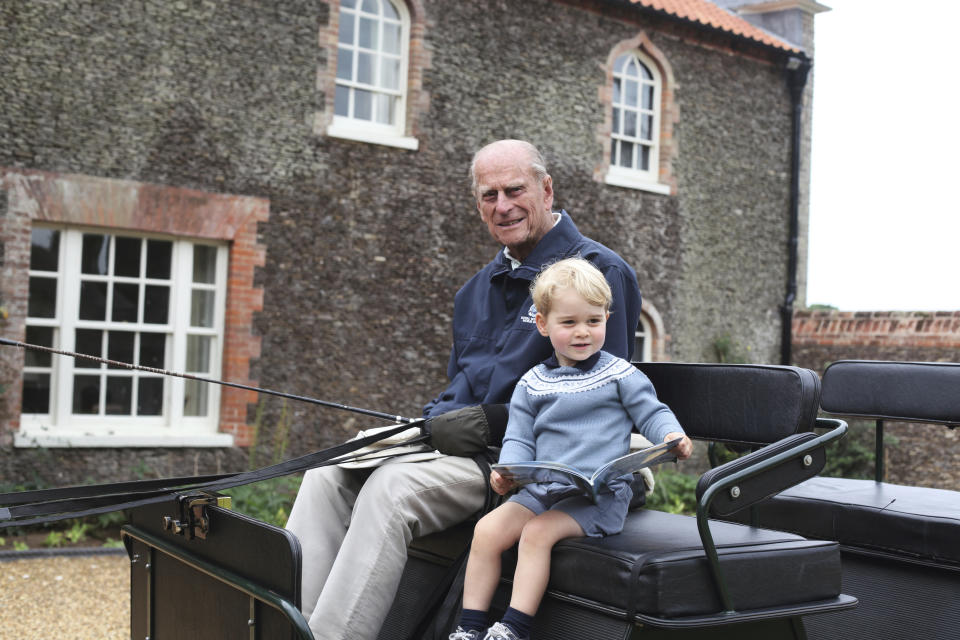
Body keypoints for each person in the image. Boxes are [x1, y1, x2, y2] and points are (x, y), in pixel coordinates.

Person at [285, 139, 643, 640]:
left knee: (392, 490)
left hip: (532, 467)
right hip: (462, 452)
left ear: (545, 189)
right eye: (488, 195)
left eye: (514, 190)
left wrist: (487, 423)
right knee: (330, 472)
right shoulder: (474, 291)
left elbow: (601, 398)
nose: (503, 206)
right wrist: (416, 428)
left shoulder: (600, 274)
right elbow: (460, 390)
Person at [449, 258, 693, 640]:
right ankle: (469, 627)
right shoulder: (532, 382)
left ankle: (513, 628)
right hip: (543, 490)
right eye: (569, 323)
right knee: (487, 530)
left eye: (593, 321)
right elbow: (518, 437)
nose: (583, 333)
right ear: (544, 325)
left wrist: (671, 437)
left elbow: (652, 413)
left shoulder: (619, 374)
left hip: (599, 497)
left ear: (606, 320)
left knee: (537, 534)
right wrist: (507, 472)